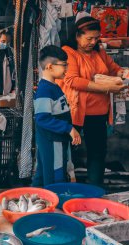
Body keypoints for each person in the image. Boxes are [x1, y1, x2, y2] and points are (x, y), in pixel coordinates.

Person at [58, 16, 127, 186]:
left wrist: (125, 74)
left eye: (96, 38)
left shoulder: (100, 52)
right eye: (89, 38)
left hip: (99, 112)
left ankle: (94, 189)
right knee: (67, 152)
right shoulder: (69, 52)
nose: (93, 42)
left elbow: (114, 69)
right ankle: (64, 188)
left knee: (97, 152)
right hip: (76, 112)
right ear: (77, 36)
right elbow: (72, 80)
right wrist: (107, 88)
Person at [32, 45, 81, 187]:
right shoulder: (45, 90)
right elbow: (42, 118)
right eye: (64, 65)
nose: (66, 69)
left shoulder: (54, 86)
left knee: (42, 175)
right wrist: (68, 128)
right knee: (56, 175)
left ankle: (35, 203)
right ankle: (55, 204)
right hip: (53, 141)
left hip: (55, 139)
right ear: (49, 67)